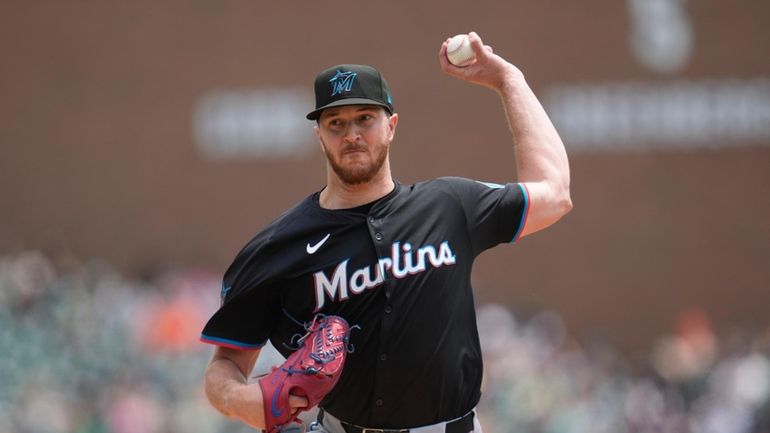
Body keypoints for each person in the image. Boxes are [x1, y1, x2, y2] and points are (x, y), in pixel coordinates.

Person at [200, 31, 572, 433]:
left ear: (391, 125)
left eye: (365, 119)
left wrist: (508, 80)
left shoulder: (448, 207)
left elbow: (554, 194)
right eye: (336, 123)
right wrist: (241, 401)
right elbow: (226, 365)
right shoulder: (278, 248)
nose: (352, 134)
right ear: (319, 135)